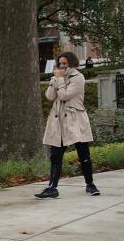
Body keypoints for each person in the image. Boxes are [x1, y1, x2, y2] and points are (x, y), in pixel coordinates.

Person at [36, 52, 100, 199]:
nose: (62, 66)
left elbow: (65, 95)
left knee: (83, 154)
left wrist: (59, 80)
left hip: (75, 121)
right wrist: (54, 80)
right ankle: (52, 188)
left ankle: (90, 184)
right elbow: (50, 96)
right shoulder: (59, 78)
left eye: (65, 63)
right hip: (58, 122)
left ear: (72, 63)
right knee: (55, 156)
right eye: (60, 63)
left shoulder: (78, 78)